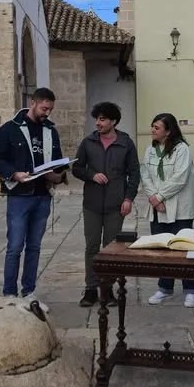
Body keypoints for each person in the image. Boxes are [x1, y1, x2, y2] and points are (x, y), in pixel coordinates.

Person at [0, 88, 66, 310]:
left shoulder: (51, 130)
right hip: (20, 196)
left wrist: (59, 175)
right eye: (44, 108)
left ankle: (29, 292)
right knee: (15, 246)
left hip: (43, 195)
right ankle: (9, 294)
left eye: (50, 110)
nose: (47, 113)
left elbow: (59, 159)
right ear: (32, 103)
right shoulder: (9, 130)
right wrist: (14, 174)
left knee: (35, 246)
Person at [72, 101, 141, 307]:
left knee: (111, 249)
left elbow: (134, 173)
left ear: (113, 121)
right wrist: (92, 175)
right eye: (97, 119)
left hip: (116, 205)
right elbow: (76, 168)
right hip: (91, 205)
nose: (98, 123)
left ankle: (107, 289)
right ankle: (91, 289)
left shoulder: (126, 143)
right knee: (92, 246)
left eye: (102, 119)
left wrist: (128, 199)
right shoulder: (88, 142)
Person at [140, 112, 194, 308]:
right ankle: (165, 287)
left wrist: (159, 196)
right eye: (152, 126)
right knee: (162, 248)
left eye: (157, 127)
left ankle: (190, 289)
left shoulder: (181, 149)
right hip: (158, 207)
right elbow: (146, 175)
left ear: (168, 131)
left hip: (179, 207)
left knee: (183, 248)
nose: (152, 130)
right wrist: (154, 199)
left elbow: (180, 178)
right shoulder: (150, 150)